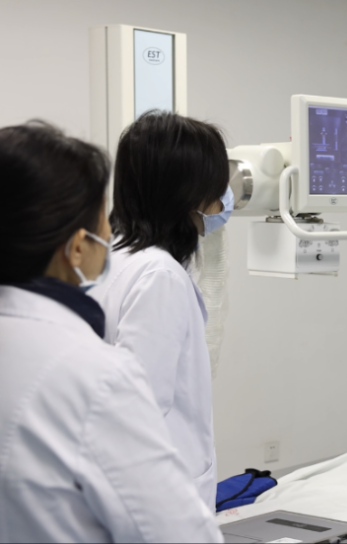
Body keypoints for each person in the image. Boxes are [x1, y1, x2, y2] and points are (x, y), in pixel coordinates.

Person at [0, 121, 222, 542]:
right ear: (75, 246)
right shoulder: (101, 374)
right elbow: (172, 528)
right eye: (100, 216)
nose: (108, 231)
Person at [88, 111, 233, 510]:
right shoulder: (159, 275)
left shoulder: (110, 258)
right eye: (216, 186)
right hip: (158, 498)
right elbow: (140, 406)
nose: (222, 200)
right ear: (188, 193)